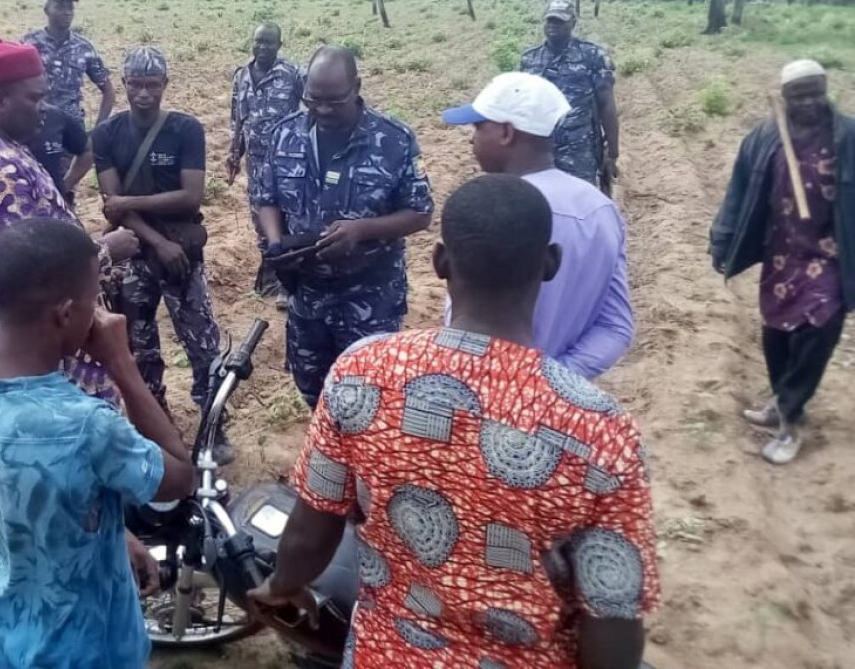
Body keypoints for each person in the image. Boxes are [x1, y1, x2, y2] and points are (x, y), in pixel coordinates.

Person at [251, 176, 660, 669]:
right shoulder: (601, 429)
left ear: (440, 262)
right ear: (550, 264)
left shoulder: (363, 373)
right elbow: (612, 620)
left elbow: (312, 529)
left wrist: (281, 586)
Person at [0, 217, 194, 669]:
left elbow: (31, 499)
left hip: (16, 630)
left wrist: (114, 533)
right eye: (94, 298)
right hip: (91, 648)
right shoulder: (84, 426)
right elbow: (179, 477)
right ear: (64, 313)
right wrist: (121, 363)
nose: (100, 312)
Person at [0, 41, 137, 401]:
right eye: (34, 99)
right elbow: (31, 269)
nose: (44, 110)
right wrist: (106, 250)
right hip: (40, 341)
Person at [253, 45, 433, 407]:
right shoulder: (285, 135)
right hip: (306, 296)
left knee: (370, 396)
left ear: (357, 87)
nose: (322, 109)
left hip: (369, 297)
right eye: (313, 99)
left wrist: (362, 230)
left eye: (334, 101)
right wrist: (275, 243)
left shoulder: (394, 140)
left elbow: (420, 212)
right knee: (312, 391)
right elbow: (266, 198)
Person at [441, 72, 634, 378]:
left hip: (481, 391)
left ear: (506, 132)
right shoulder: (599, 209)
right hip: (558, 405)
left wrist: (519, 387)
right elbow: (615, 326)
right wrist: (554, 382)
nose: (471, 137)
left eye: (479, 126)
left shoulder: (490, 213)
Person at [711, 59, 855, 465]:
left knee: (818, 332)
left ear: (826, 90)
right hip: (782, 254)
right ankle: (781, 398)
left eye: (816, 93)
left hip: (830, 255)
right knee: (777, 335)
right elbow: (737, 193)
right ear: (785, 97)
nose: (809, 102)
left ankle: (790, 419)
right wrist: (723, 241)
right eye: (799, 95)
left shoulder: (848, 137)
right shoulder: (764, 138)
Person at [92, 47, 230, 442]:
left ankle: (214, 426)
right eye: (136, 84)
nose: (144, 93)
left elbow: (190, 197)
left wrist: (129, 205)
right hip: (132, 254)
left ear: (165, 85)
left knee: (202, 343)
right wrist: (153, 239)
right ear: (124, 84)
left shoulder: (186, 129)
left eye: (153, 84)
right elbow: (111, 206)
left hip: (181, 255)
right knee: (139, 346)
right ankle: (156, 424)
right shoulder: (105, 134)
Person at [226, 22, 305, 305]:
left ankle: (288, 284)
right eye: (259, 42)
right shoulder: (241, 77)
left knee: (287, 218)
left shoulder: (292, 74)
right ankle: (269, 272)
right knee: (259, 219)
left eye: (269, 43)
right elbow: (237, 118)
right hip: (256, 164)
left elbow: (311, 107)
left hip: (288, 163)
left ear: (279, 46)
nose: (263, 47)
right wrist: (234, 154)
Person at [20, 0, 116, 198]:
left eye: (70, 7)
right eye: (60, 6)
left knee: (63, 192)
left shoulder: (83, 47)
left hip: (68, 133)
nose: (66, 12)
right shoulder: (29, 45)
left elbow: (108, 91)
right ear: (47, 9)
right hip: (32, 129)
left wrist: (97, 130)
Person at [520, 0, 620, 193]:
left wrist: (613, 153)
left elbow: (607, 104)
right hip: (540, 152)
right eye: (549, 21)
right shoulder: (530, 59)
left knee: (583, 203)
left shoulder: (592, 56)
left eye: (559, 21)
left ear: (573, 23)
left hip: (580, 152)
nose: (553, 26)